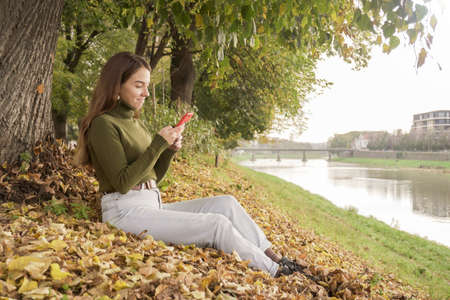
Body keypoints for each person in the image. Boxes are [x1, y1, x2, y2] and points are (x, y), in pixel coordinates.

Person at [74, 52, 303, 278]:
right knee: (216, 225)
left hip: (151, 205)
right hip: (124, 212)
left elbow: (153, 177)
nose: (145, 93)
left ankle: (275, 258)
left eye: (147, 86)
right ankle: (277, 272)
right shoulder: (103, 125)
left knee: (226, 204)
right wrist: (158, 144)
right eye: (138, 86)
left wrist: (168, 151)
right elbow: (123, 183)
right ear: (116, 86)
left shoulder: (136, 123)